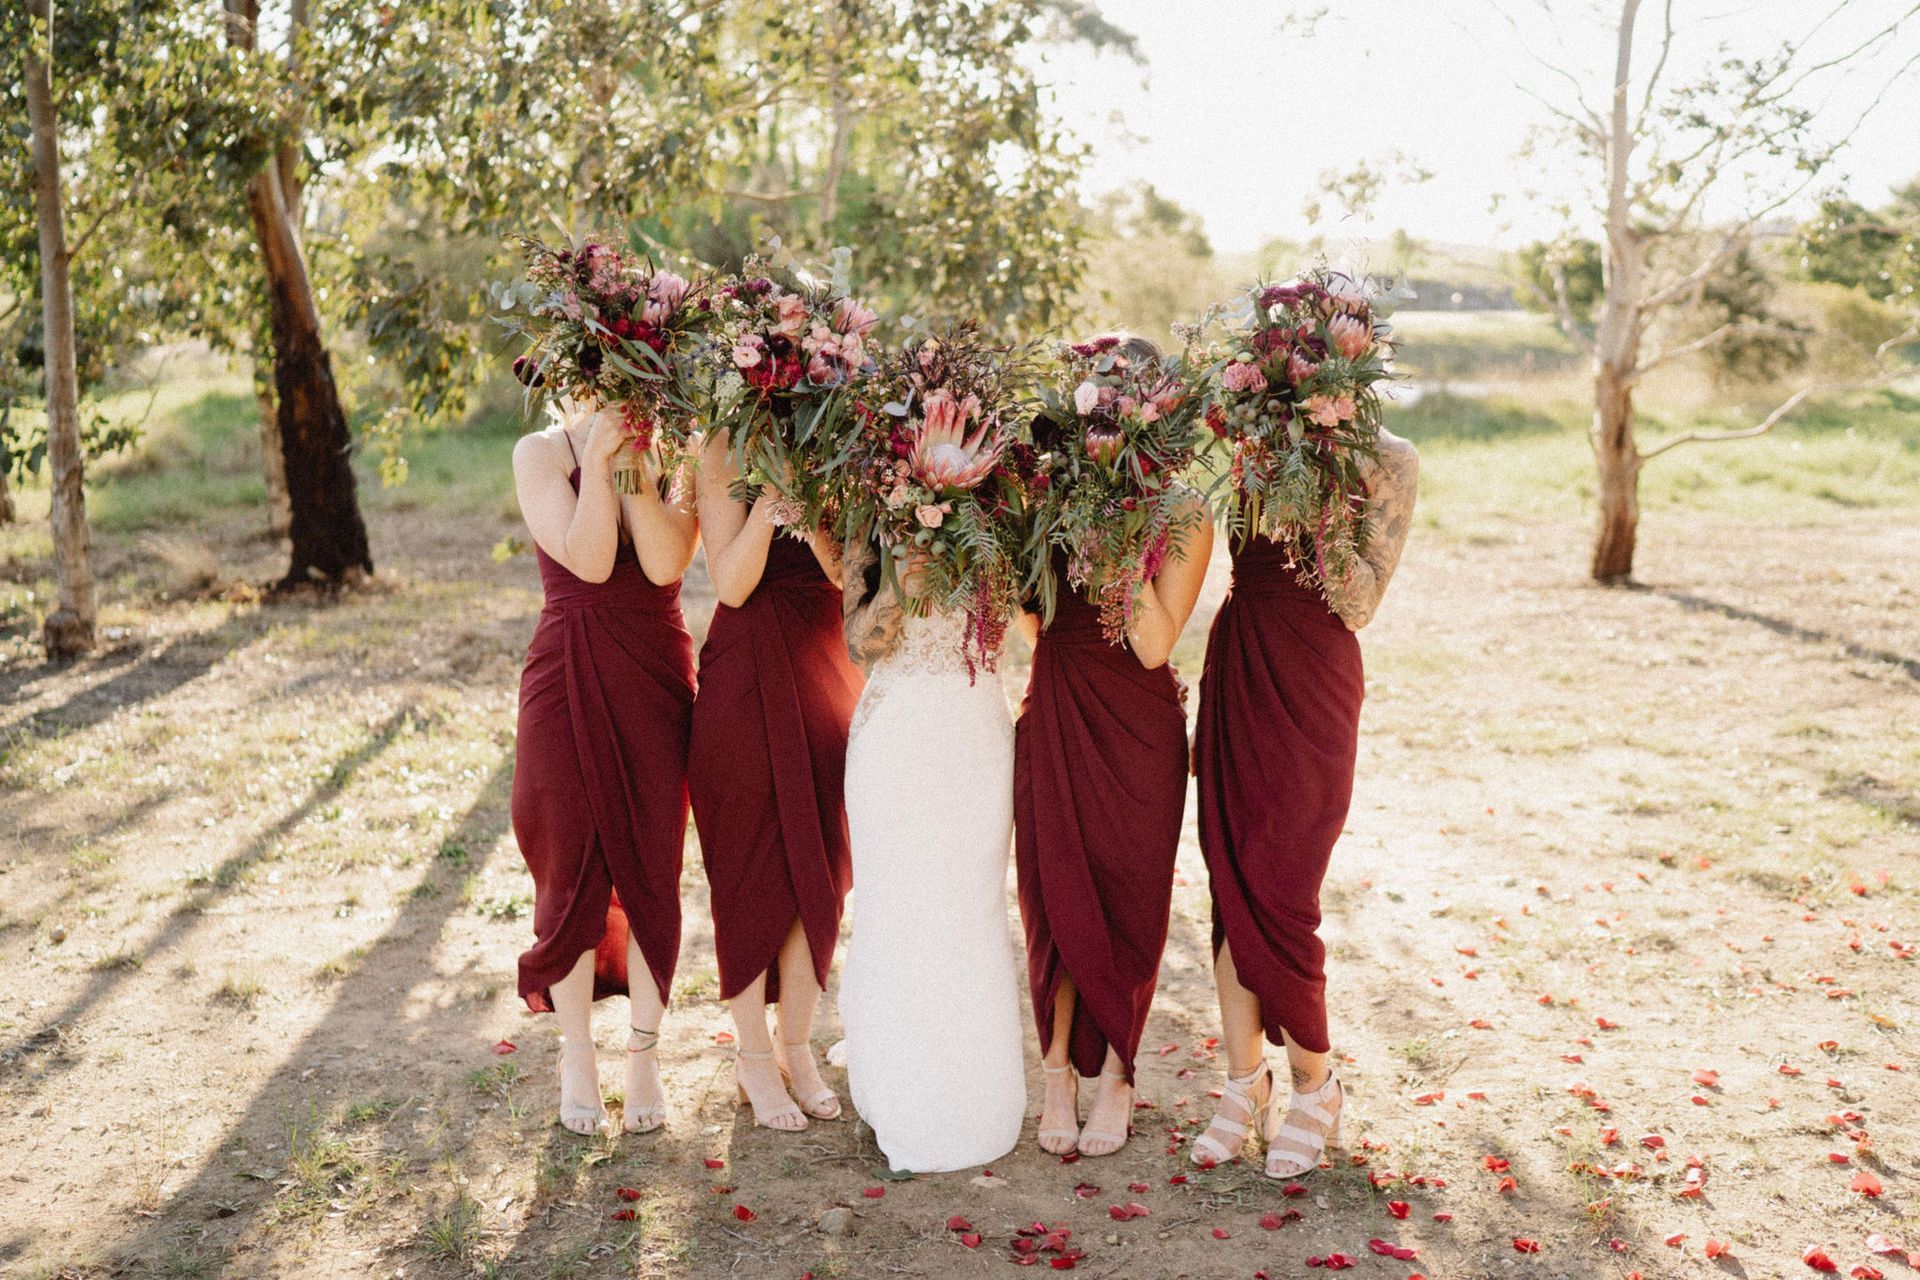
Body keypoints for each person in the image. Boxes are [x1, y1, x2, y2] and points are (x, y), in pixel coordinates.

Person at [1191, 426, 1419, 1178]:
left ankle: (1316, 1085)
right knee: (1231, 875)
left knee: (1283, 886)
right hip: (1240, 657)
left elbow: (1357, 600)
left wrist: (1320, 485)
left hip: (1314, 670)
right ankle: (1243, 1082)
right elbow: (1242, 559)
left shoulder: (1390, 459)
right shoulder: (1256, 437)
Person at [1014, 335, 1213, 1159]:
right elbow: (1032, 615)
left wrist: (1115, 539)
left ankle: (1120, 1078)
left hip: (1138, 725)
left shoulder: (1185, 512)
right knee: (1056, 898)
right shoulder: (1041, 501)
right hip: (1057, 703)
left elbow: (1155, 644)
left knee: (1128, 902)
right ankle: (1057, 1068)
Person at [508, 401, 699, 1136]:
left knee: (652, 862)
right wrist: (592, 457)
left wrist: (626, 463)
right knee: (570, 865)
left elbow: (661, 564)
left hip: (652, 669)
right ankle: (578, 1054)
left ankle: (645, 1055)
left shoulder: (674, 447)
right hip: (565, 670)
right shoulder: (538, 454)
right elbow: (587, 561)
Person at [834, 542, 1027, 1171]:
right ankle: (897, 1083)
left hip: (973, 729)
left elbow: (1025, 618)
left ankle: (973, 1090)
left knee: (968, 908)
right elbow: (860, 645)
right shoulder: (876, 495)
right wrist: (900, 580)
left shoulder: (1018, 500)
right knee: (895, 905)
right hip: (895, 730)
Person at [689, 435, 862, 1131]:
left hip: (821, 663)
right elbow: (730, 582)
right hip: (745, 668)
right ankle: (755, 1056)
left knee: (820, 861)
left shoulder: (842, 438)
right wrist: (769, 499)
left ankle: (798, 1043)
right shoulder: (722, 448)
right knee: (751, 865)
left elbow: (850, 576)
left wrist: (811, 499)